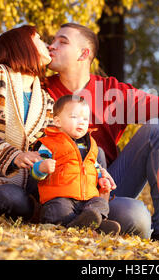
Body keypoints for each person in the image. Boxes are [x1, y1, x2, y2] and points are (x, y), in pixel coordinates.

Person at [0, 23, 159, 248]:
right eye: (51, 41)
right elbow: (3, 122)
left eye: (62, 42)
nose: (52, 45)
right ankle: (69, 218)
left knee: (156, 132)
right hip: (58, 186)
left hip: (102, 186)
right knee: (135, 217)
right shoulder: (39, 90)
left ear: (83, 54)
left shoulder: (112, 94)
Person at [0, 25, 54, 222]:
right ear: (23, 44)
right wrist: (15, 156)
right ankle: (39, 211)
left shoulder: (46, 99)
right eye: (39, 38)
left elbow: (47, 143)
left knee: (46, 197)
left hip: (28, 185)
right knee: (10, 197)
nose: (47, 44)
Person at [31, 94, 120, 235]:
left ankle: (84, 223)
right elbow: (35, 171)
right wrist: (42, 168)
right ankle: (89, 227)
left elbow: (93, 167)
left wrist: (100, 178)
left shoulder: (90, 145)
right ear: (58, 121)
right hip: (60, 197)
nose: (81, 122)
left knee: (100, 203)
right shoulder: (49, 143)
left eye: (85, 119)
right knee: (58, 209)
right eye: (74, 117)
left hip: (86, 201)